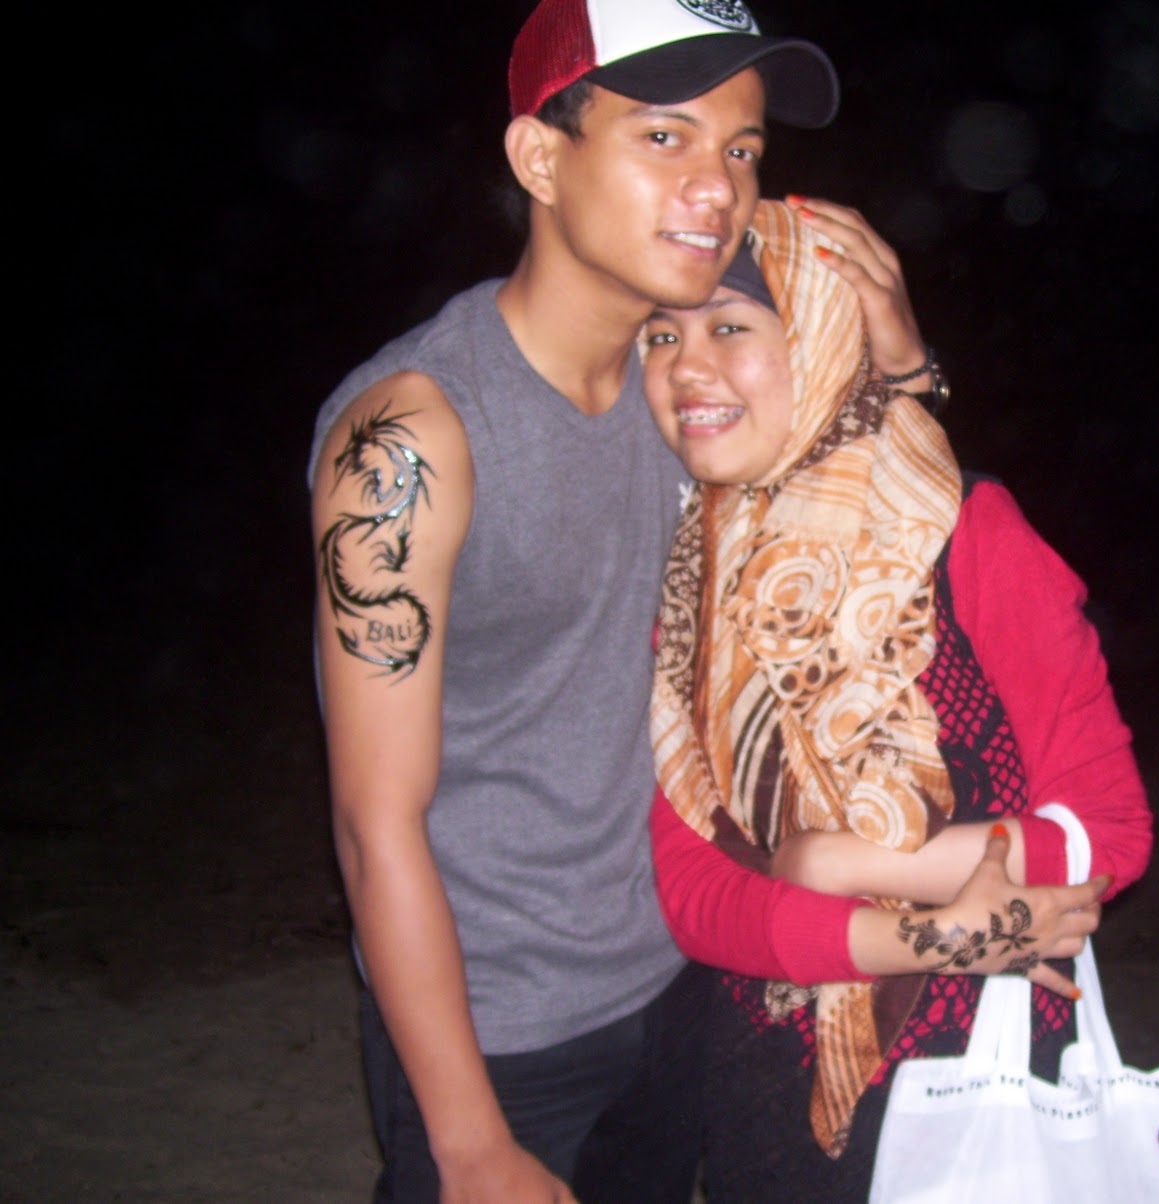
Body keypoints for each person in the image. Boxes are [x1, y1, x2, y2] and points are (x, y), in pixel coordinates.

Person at [305, 3, 878, 1201]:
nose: (718, 186)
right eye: (664, 136)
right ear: (538, 158)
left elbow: (904, 525)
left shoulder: (696, 397)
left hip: (679, 978)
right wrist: (468, 1140)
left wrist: (908, 351)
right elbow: (373, 821)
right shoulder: (411, 440)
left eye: (742, 147)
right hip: (495, 1030)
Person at [641, 199, 1155, 1199]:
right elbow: (692, 893)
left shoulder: (964, 529)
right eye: (661, 335)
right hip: (766, 1087)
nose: (686, 368)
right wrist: (930, 933)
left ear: (824, 338)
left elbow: (1110, 831)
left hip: (981, 1085)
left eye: (732, 327)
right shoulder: (686, 579)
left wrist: (847, 863)